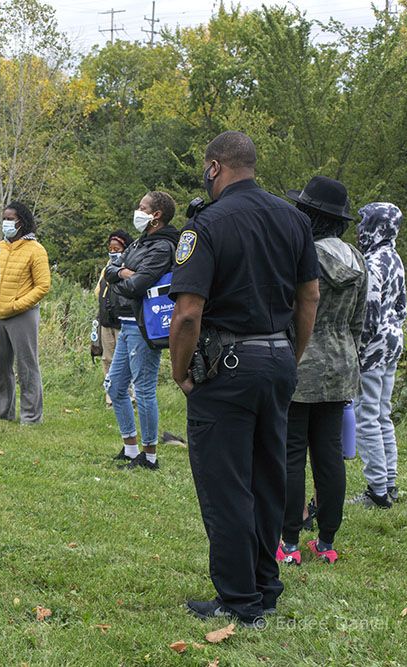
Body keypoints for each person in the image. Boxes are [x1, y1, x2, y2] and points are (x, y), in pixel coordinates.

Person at [169, 131, 320, 626]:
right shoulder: (295, 219)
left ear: (214, 168)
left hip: (226, 366)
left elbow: (188, 313)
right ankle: (265, 586)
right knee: (267, 476)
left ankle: (239, 598)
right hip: (278, 357)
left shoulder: (205, 226)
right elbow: (309, 298)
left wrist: (180, 372)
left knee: (226, 482)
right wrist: (288, 355)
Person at [276, 176, 367, 567]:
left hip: (303, 362)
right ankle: (327, 541)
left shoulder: (302, 254)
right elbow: (360, 320)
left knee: (292, 454)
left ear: (310, 216)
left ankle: (290, 543)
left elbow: (286, 309)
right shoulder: (356, 259)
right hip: (342, 361)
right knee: (328, 455)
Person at [104, 193, 179, 469]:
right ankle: (131, 448)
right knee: (115, 385)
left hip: (144, 324)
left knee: (144, 389)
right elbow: (112, 269)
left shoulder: (162, 247)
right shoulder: (141, 242)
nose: (138, 211)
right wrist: (124, 272)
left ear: (156, 215)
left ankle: (150, 457)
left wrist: (123, 274)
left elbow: (138, 285)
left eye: (142, 207)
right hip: (126, 321)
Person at [349, 203, 406, 509]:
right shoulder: (394, 258)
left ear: (377, 226)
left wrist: (359, 349)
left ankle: (377, 489)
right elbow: (401, 308)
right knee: (383, 413)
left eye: (364, 223)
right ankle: (390, 482)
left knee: (366, 415)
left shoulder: (373, 262)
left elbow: (368, 313)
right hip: (393, 342)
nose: (359, 229)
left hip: (373, 348)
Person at [0, 201, 51, 424]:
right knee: (1, 367)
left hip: (22, 315)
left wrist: (17, 305)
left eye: (10, 218)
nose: (5, 222)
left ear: (21, 222)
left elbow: (43, 286)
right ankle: (3, 412)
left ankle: (31, 416)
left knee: (27, 366)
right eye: (4, 218)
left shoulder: (36, 250)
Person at [96, 230, 134, 407]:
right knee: (107, 359)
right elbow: (98, 293)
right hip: (105, 321)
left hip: (123, 321)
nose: (112, 251)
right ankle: (111, 397)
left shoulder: (129, 267)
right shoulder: (106, 268)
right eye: (110, 248)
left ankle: (130, 396)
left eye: (116, 248)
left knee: (126, 359)